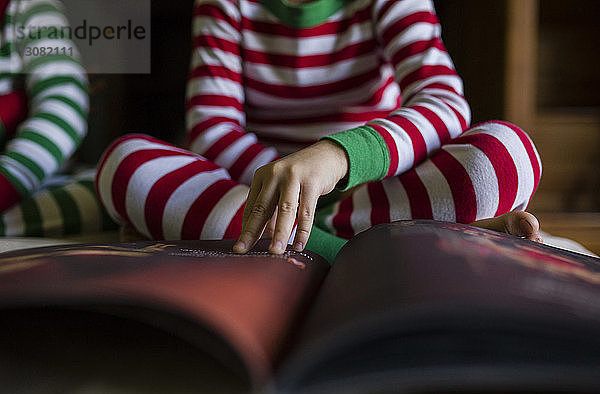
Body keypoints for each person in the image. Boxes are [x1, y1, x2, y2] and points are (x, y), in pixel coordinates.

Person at [96, 0, 542, 264]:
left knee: (507, 154)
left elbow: (444, 103)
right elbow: (212, 129)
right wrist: (289, 186)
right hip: (263, 190)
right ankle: (354, 248)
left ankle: (315, 235)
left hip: (369, 186)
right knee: (125, 163)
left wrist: (339, 157)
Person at [0, 0, 114, 237]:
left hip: (32, 180)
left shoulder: (27, 8)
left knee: (112, 192)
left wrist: (8, 180)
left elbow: (64, 104)